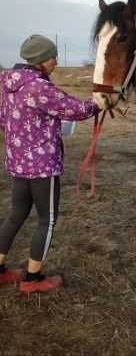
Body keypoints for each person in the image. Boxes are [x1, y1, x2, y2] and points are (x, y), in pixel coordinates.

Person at [0, 35, 99, 293]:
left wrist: (40, 128)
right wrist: (99, 103)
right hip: (43, 166)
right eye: (53, 56)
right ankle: (33, 279)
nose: (56, 61)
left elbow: (4, 121)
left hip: (18, 164)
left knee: (16, 215)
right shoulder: (40, 87)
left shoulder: (7, 83)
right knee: (47, 220)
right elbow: (77, 109)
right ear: (41, 60)